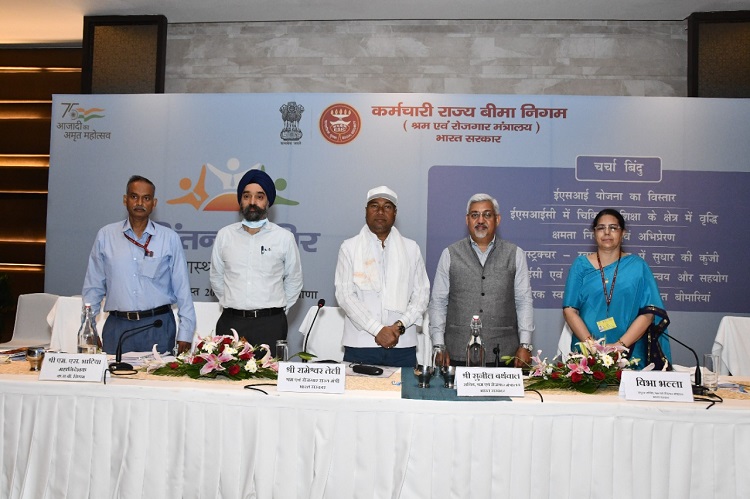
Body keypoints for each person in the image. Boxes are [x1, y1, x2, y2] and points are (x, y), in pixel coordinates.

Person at [83, 175, 196, 354]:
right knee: (114, 373)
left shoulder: (169, 238)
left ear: (154, 203)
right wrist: (88, 327)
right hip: (117, 327)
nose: (140, 203)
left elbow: (182, 288)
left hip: (158, 326)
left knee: (160, 373)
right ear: (125, 200)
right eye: (134, 196)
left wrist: (186, 332)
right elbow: (93, 287)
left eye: (146, 198)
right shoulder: (106, 236)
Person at [429, 193, 535, 367]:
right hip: (457, 352)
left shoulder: (515, 254)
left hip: (504, 354)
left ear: (497, 219)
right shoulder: (449, 254)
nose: (480, 220)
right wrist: (438, 344)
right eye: (474, 215)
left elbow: (523, 301)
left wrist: (525, 344)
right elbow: (438, 303)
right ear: (467, 220)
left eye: (487, 215)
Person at [562, 208, 671, 369]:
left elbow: (648, 314)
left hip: (630, 353)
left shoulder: (638, 266)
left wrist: (619, 346)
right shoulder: (580, 266)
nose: (607, 232)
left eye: (613, 228)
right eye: (601, 228)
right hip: (588, 354)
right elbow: (569, 310)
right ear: (594, 233)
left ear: (623, 233)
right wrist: (593, 346)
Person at [334, 186, 430, 367]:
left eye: (387, 206)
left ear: (395, 213)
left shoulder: (411, 249)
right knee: (357, 387)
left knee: (404, 387)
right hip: (361, 344)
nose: (380, 211)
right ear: (366, 211)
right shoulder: (349, 248)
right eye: (374, 206)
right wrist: (377, 329)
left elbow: (422, 295)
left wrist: (399, 326)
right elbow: (345, 295)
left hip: (403, 344)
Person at [210, 169, 303, 347]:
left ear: (268, 201)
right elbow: (216, 277)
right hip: (231, 323)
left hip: (270, 325)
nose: (252, 202)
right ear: (240, 200)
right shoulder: (225, 236)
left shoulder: (284, 238)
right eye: (246, 196)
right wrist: (233, 304)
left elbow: (294, 280)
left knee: (270, 367)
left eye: (259, 197)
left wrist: (275, 312)